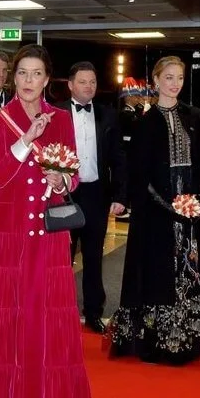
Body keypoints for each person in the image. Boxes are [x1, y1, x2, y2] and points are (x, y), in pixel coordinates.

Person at [0, 44, 92, 398]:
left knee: (46, 315)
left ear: (46, 79)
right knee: (10, 314)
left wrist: (62, 179)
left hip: (49, 231)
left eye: (36, 74)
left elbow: (74, 171)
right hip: (9, 231)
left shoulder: (61, 116)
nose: (28, 81)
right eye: (22, 73)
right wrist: (26, 141)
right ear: (11, 76)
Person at [107, 56, 200, 365]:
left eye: (179, 77)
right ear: (156, 81)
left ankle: (185, 340)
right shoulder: (146, 123)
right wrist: (170, 207)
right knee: (157, 274)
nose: (175, 83)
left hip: (190, 212)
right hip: (156, 216)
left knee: (187, 273)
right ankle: (157, 342)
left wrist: (199, 204)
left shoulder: (196, 116)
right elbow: (139, 174)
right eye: (168, 77)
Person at [56, 61, 127, 334]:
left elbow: (120, 157)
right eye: (83, 82)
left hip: (96, 193)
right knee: (62, 257)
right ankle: (60, 310)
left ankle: (94, 311)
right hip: (65, 195)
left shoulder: (108, 115)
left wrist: (121, 194)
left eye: (93, 82)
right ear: (71, 85)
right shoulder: (56, 113)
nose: (88, 86)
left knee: (95, 256)